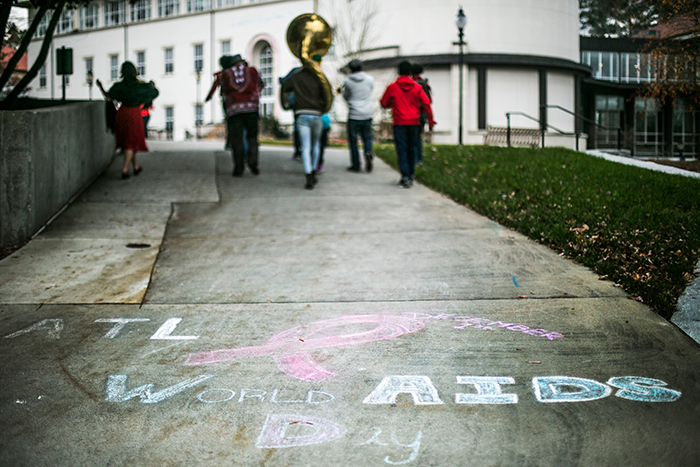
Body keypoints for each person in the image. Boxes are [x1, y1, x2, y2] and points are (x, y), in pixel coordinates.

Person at [97, 62, 159, 179]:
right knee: (131, 142)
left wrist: (100, 86)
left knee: (129, 141)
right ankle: (125, 170)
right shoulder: (139, 86)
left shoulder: (119, 86)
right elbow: (155, 92)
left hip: (122, 113)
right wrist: (143, 99)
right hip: (134, 114)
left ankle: (135, 166)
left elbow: (108, 97)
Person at [380, 60, 435, 188]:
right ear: (410, 72)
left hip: (399, 122)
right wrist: (430, 120)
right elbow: (426, 103)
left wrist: (392, 104)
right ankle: (411, 174)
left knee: (402, 149)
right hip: (414, 122)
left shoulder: (392, 87)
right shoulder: (417, 87)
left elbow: (383, 103)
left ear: (398, 72)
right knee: (412, 148)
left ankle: (405, 176)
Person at [281, 54, 327, 190]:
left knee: (305, 147)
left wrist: (287, 104)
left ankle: (309, 176)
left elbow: (285, 86)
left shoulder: (296, 76)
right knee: (316, 145)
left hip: (301, 114)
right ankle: (314, 170)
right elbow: (327, 95)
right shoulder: (319, 77)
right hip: (317, 114)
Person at [219, 54, 263, 176]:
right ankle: (253, 162)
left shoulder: (226, 73)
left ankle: (239, 168)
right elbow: (260, 85)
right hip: (251, 109)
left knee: (237, 139)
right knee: (252, 137)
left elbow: (224, 91)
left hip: (234, 111)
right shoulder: (252, 70)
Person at [340, 59, 374, 173]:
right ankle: (368, 152)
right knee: (367, 137)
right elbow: (370, 91)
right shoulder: (370, 79)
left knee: (353, 141)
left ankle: (356, 165)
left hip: (354, 114)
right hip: (367, 113)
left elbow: (346, 96)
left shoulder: (348, 81)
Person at [279, 66, 302, 160]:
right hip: (309, 108)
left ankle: (298, 151)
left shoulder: (296, 72)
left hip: (298, 108)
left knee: (297, 128)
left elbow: (283, 82)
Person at [411, 63, 432, 163]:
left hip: (413, 113)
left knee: (412, 138)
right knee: (418, 136)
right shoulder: (424, 83)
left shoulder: (411, 83)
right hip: (422, 114)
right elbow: (429, 101)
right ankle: (420, 159)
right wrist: (430, 119)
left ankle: (414, 159)